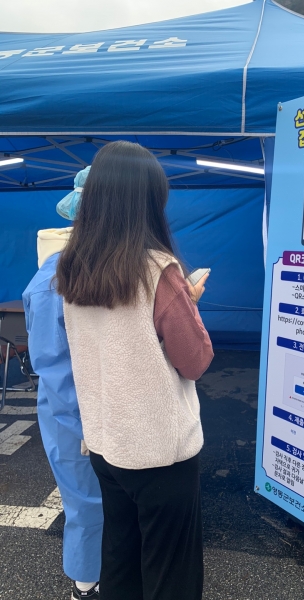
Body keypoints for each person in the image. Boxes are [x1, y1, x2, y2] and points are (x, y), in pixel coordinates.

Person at [56, 140, 214, 600]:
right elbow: (195, 361)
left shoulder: (73, 267)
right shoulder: (157, 270)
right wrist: (188, 305)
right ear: (146, 201)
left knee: (121, 559)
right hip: (159, 451)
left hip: (106, 442)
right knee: (171, 575)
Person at [22, 166, 103, 600]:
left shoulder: (87, 266)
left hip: (89, 408)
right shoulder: (57, 279)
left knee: (99, 497)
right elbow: (55, 367)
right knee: (86, 498)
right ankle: (86, 583)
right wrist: (90, 423)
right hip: (73, 412)